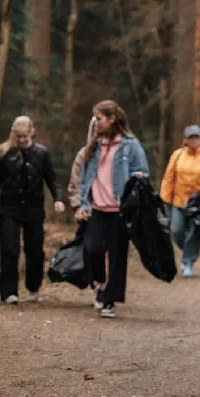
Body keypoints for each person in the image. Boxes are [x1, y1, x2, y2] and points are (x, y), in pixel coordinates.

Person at [0, 116, 64, 303]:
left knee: (35, 249)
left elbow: (52, 179)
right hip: (10, 208)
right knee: (9, 249)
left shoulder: (42, 153)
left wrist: (58, 199)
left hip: (34, 208)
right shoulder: (4, 153)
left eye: (25, 136)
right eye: (19, 136)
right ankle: (9, 292)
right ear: (13, 134)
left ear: (31, 132)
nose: (22, 140)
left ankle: (33, 286)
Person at [76, 100, 149, 318]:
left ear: (112, 119)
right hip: (97, 208)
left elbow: (142, 172)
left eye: (98, 118)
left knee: (117, 256)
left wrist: (132, 190)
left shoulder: (130, 145)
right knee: (92, 249)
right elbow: (84, 178)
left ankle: (109, 300)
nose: (95, 122)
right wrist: (83, 203)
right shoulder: (94, 146)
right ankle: (100, 282)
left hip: (119, 210)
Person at [159, 124, 200, 278]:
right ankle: (187, 251)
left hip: (199, 205)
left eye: (196, 137)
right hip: (179, 201)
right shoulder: (177, 155)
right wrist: (164, 198)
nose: (194, 140)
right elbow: (169, 177)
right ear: (185, 140)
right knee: (176, 230)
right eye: (191, 137)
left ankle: (188, 261)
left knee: (194, 233)